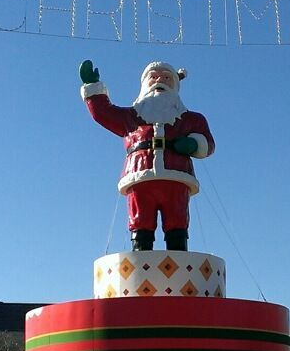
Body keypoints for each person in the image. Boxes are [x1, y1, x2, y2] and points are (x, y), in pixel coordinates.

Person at [80, 60, 215, 251]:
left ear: (175, 85)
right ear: (145, 84)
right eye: (154, 77)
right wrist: (92, 87)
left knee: (177, 220)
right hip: (139, 176)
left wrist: (194, 144)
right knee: (140, 220)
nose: (160, 80)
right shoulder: (130, 117)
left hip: (176, 177)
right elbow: (103, 113)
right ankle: (141, 256)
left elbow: (208, 144)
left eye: (167, 77)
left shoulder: (192, 119)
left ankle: (178, 256)